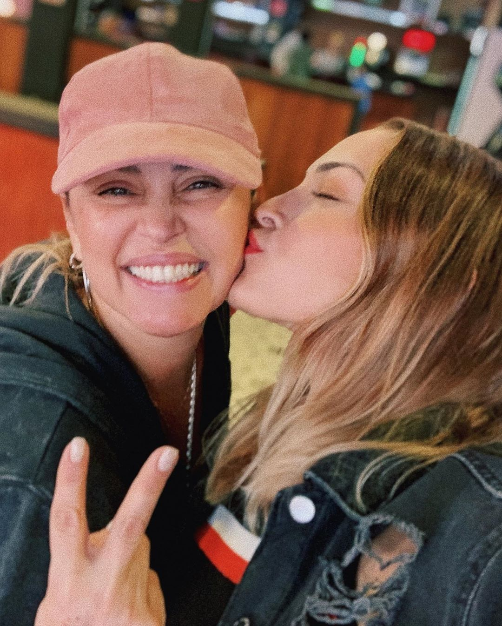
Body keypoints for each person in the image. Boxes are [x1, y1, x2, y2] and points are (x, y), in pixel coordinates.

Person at [37, 118, 502, 626]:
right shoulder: (268, 438)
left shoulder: (476, 533)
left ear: (446, 280)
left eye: (327, 194)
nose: (269, 208)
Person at [0, 42, 262, 626]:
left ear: (252, 203)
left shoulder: (207, 319)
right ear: (71, 218)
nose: (162, 225)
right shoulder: (39, 456)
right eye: (117, 189)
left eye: (200, 184)